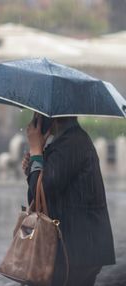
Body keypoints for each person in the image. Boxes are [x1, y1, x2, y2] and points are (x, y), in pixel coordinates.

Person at [22, 113, 115, 286]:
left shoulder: (71, 144)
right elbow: (38, 196)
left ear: (51, 118)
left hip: (75, 251)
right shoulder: (70, 141)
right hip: (80, 249)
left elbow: (43, 190)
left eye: (38, 116)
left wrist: (36, 153)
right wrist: (34, 165)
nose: (34, 120)